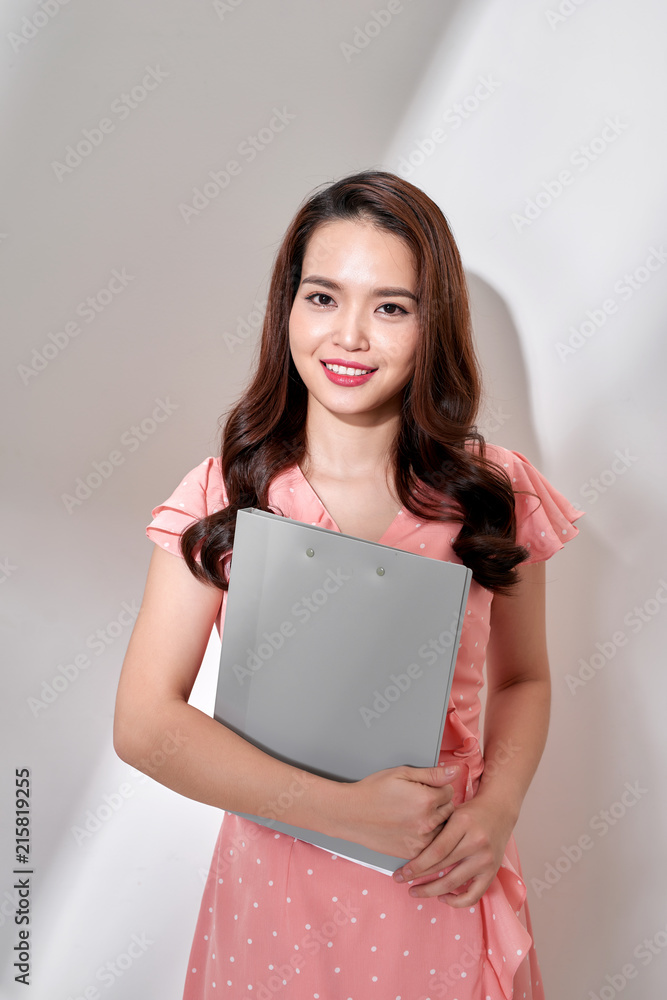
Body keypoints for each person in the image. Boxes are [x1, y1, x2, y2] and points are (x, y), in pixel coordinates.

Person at [113, 169, 584, 1000]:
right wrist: (336, 810)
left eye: (391, 306)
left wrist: (497, 808)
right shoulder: (226, 493)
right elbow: (145, 723)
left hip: (439, 880)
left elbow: (523, 678)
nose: (350, 337)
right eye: (323, 298)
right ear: (286, 308)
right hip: (274, 898)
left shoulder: (491, 492)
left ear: (431, 323)